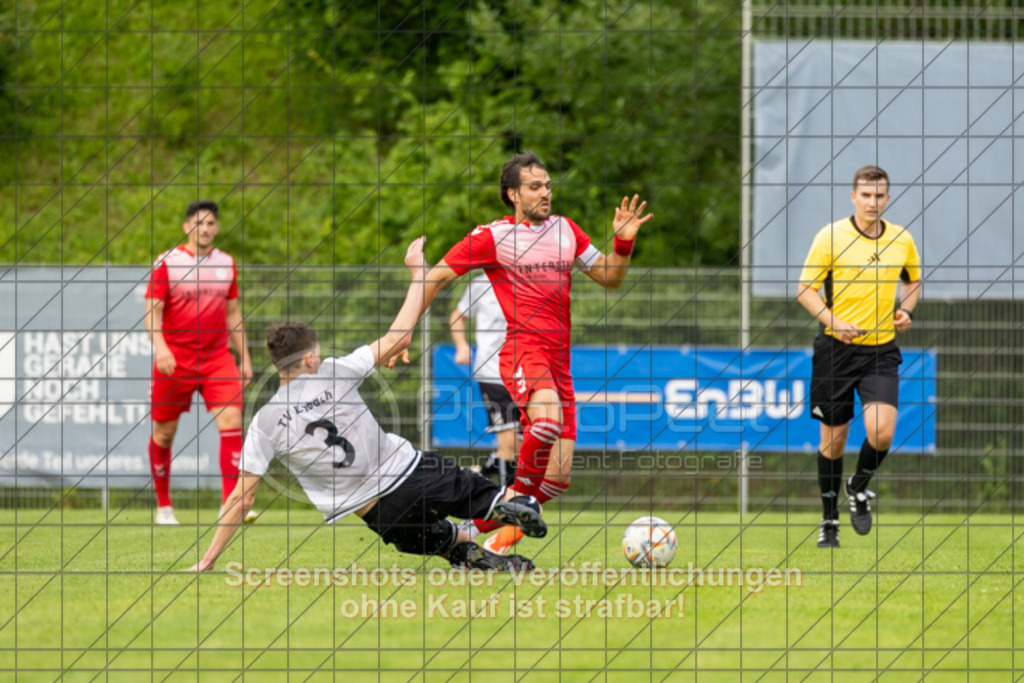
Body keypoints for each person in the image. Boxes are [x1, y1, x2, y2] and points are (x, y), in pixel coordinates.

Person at [188, 237, 545, 573]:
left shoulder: (264, 422)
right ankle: (513, 507)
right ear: (310, 358)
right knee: (496, 497)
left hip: (378, 514)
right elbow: (399, 335)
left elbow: (242, 499)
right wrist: (418, 274)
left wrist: (207, 559)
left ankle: (464, 550)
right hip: (412, 473)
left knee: (447, 542)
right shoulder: (334, 371)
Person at [409, 151, 652, 555]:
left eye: (548, 186)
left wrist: (623, 241)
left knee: (555, 481)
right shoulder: (492, 237)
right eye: (535, 187)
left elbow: (610, 277)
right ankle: (516, 500)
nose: (545, 193)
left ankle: (463, 532)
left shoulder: (567, 231)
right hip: (523, 350)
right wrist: (403, 331)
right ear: (512, 194)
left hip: (560, 363)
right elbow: (435, 277)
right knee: (544, 425)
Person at [796, 166, 922, 548]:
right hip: (836, 351)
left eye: (880, 195)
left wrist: (907, 310)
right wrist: (833, 320)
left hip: (881, 351)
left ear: (888, 197)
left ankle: (858, 486)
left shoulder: (901, 239)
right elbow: (805, 290)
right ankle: (829, 520)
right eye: (866, 195)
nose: (873, 202)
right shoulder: (830, 236)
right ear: (853, 197)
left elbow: (913, 281)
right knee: (833, 442)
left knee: (882, 432)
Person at [144, 200, 255, 526]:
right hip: (174, 361)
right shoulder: (168, 262)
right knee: (163, 434)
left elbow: (233, 313)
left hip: (216, 358)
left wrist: (245, 357)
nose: (204, 229)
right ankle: (164, 506)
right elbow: (152, 312)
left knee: (232, 418)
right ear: (186, 227)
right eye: (198, 223)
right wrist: (161, 348)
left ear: (216, 228)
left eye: (210, 224)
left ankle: (230, 504)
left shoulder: (226, 263)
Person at [449, 273, 520, 487]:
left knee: (523, 444)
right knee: (510, 441)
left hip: (524, 373)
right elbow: (456, 317)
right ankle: (512, 506)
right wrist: (462, 346)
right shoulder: (482, 283)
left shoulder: (532, 279)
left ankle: (480, 474)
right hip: (492, 373)